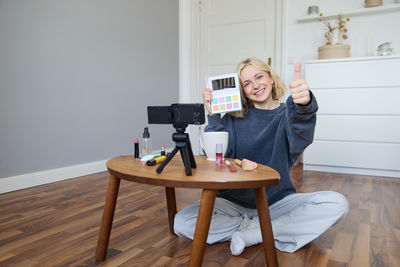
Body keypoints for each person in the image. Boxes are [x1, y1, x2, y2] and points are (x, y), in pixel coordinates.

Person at [174, 57, 349, 255]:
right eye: (247, 83)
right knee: (181, 222)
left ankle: (255, 233)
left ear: (271, 78)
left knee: (337, 204)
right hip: (232, 202)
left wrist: (303, 105)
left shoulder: (287, 114)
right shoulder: (231, 118)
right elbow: (216, 157)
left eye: (259, 77)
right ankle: (266, 228)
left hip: (276, 202)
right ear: (242, 91)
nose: (255, 86)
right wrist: (213, 115)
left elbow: (302, 137)